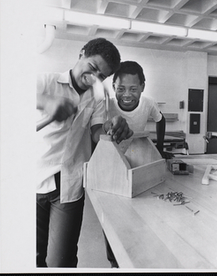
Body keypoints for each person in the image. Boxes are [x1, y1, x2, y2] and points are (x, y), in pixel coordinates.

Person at [36, 38, 133, 267]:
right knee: (32, 257)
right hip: (33, 179)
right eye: (92, 68)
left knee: (61, 261)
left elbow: (96, 133)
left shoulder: (97, 97)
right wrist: (48, 103)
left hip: (70, 182)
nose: (94, 78)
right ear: (81, 54)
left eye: (101, 76)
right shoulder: (46, 81)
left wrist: (112, 129)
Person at [103, 60, 166, 268]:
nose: (127, 95)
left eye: (133, 89)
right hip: (112, 163)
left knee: (138, 209)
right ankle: (114, 261)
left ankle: (137, 255)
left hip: (137, 159)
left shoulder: (148, 103)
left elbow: (160, 119)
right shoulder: (107, 105)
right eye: (121, 89)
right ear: (113, 88)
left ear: (142, 87)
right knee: (110, 214)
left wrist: (160, 146)